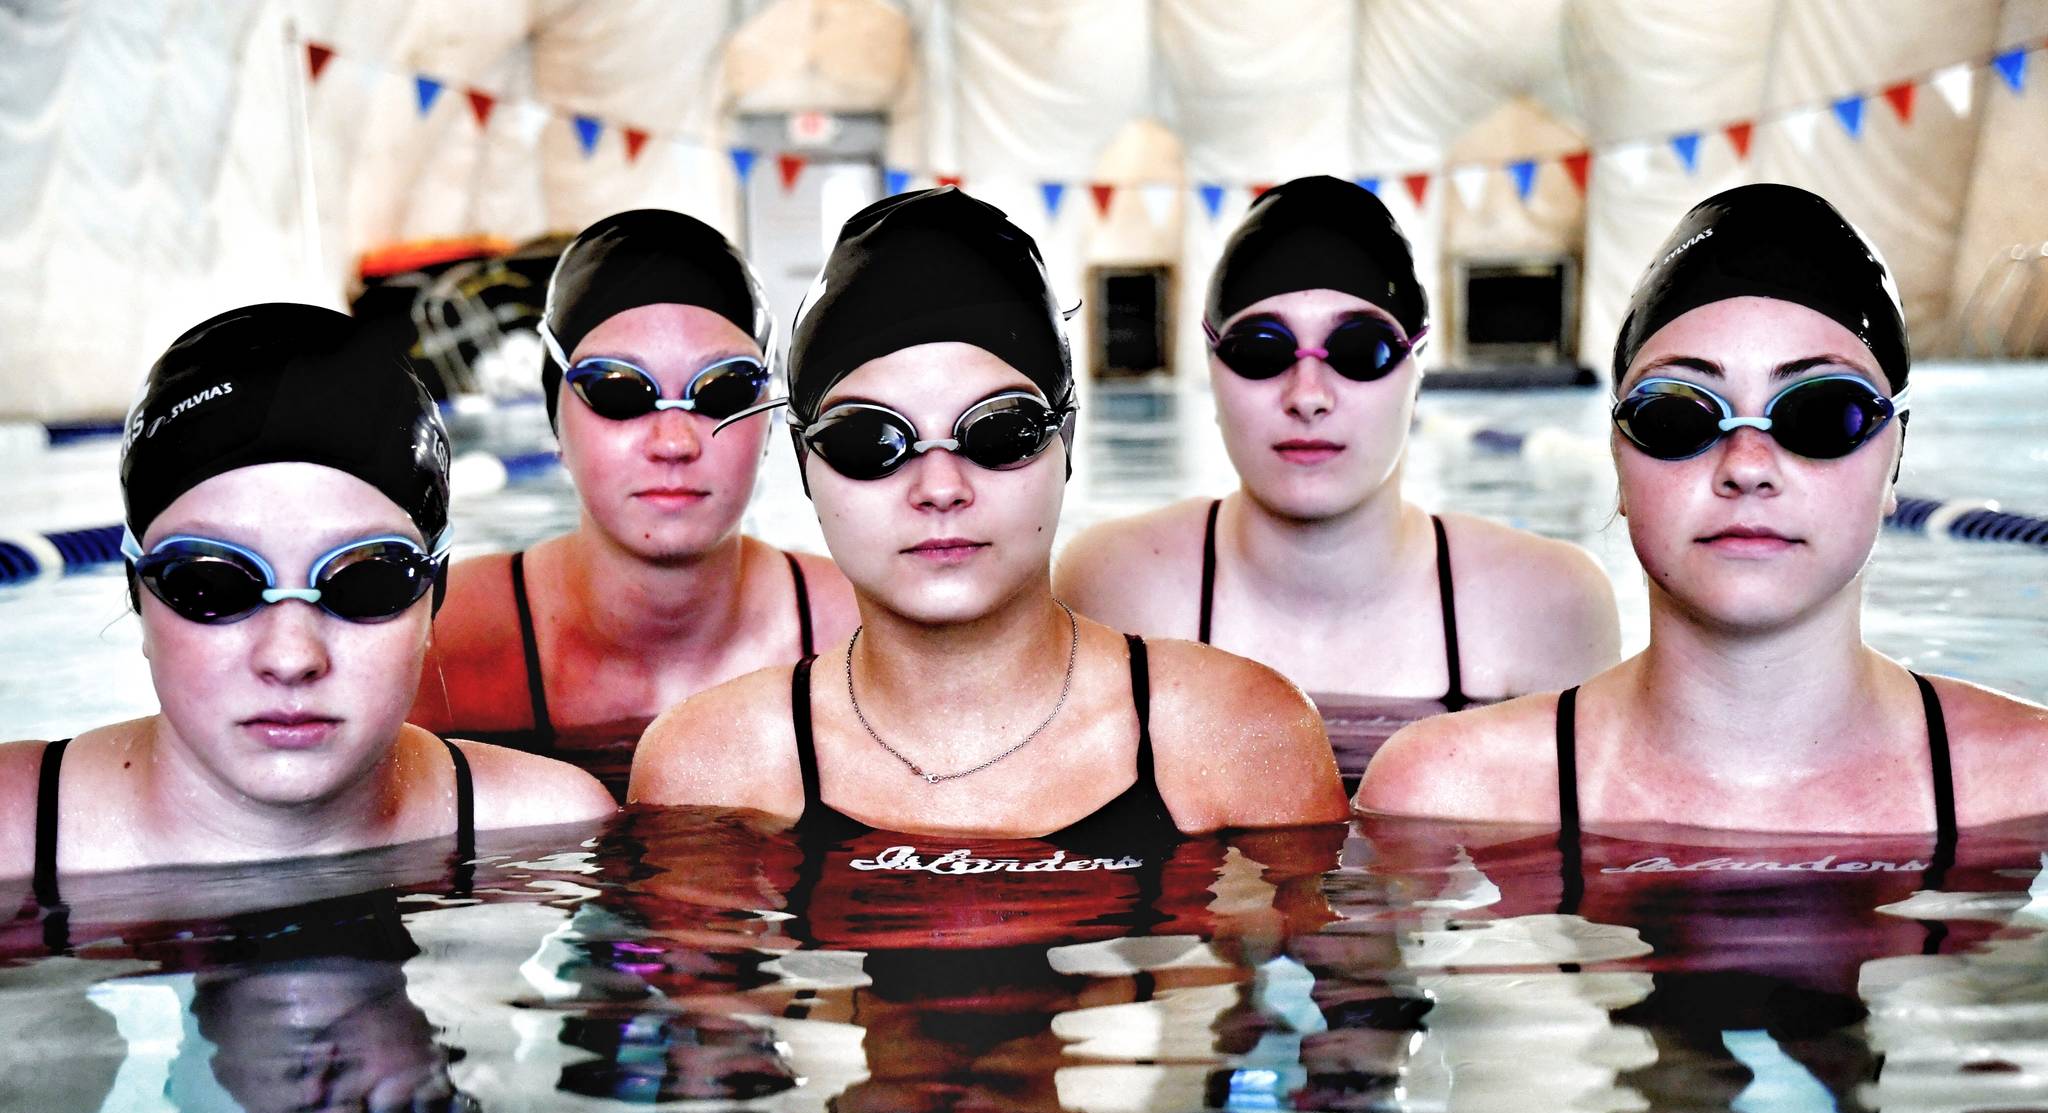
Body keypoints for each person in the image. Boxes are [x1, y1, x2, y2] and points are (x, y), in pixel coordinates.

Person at [631, 188, 1347, 840]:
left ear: (1066, 442)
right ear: (804, 465)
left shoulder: (1243, 735)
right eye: (869, 438)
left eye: (1000, 431)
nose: (940, 487)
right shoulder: (706, 769)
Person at [1360, 183, 2048, 836]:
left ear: (1895, 458)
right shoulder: (1446, 794)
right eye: (1676, 416)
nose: (1747, 466)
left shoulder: (2028, 782)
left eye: (1821, 413)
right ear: (1619, 463)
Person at [0, 304, 613, 900]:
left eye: (367, 579)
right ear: (137, 588)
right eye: (211, 583)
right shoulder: (11, 838)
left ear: (436, 593)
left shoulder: (556, 835)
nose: (291, 657)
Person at [1056, 176, 1619, 745]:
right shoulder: (1115, 585)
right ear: (1213, 370)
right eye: (1261, 350)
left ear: (1416, 369)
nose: (1307, 396)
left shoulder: (1544, 603)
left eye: (1360, 351)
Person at [411, 210, 858, 789]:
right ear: (555, 423)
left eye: (722, 390)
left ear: (769, 422)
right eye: (618, 391)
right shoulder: (442, 643)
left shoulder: (855, 632)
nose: (673, 441)